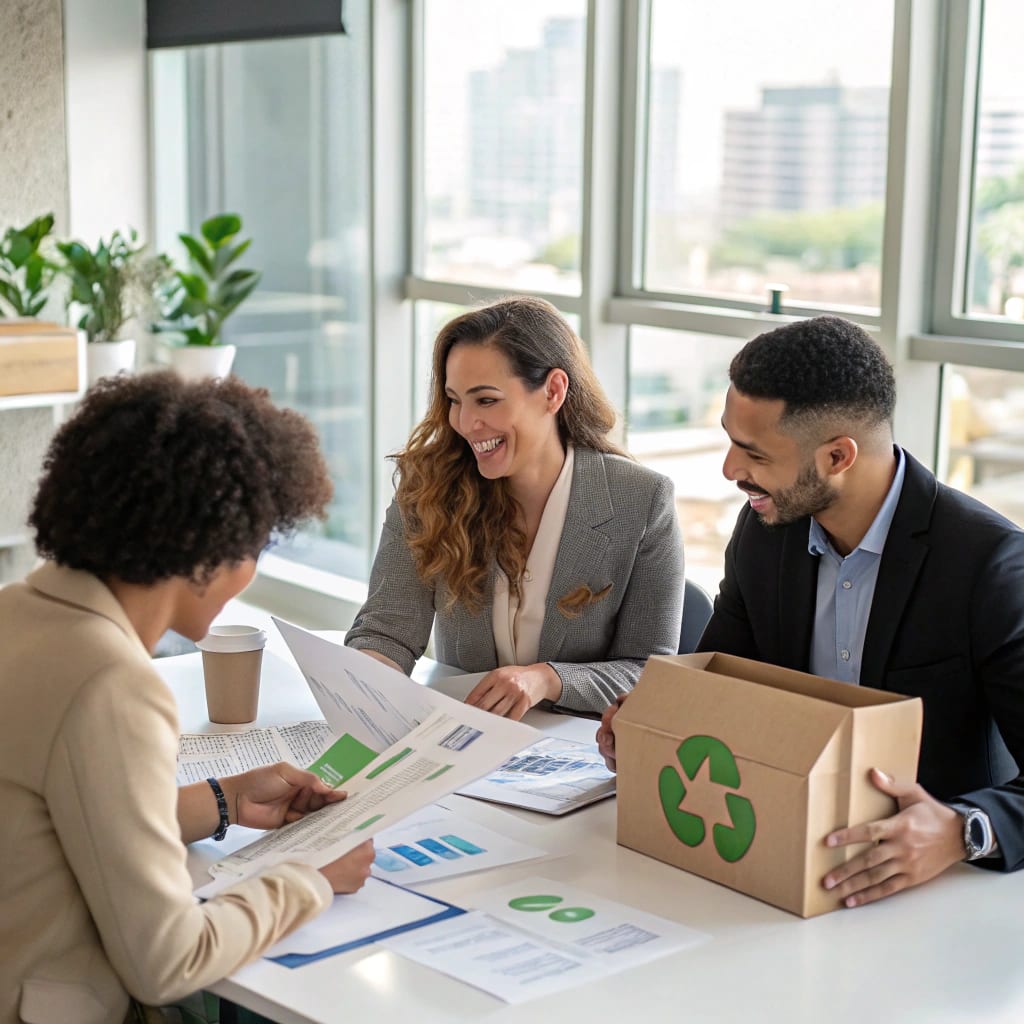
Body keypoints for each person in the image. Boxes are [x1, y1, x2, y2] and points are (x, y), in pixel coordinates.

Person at [597, 315, 1024, 908]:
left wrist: (962, 831)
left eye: (752, 453)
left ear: (837, 456)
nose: (729, 470)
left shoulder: (991, 565)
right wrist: (654, 725)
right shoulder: (764, 531)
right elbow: (718, 683)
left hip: (936, 892)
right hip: (779, 860)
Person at [0, 372, 375, 1024]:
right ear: (211, 544)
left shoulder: (17, 614)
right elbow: (168, 959)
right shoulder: (111, 684)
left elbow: (63, 819)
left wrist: (224, 801)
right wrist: (311, 878)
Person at [345, 296, 684, 720]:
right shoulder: (428, 486)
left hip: (578, 752)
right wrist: (369, 678)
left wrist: (545, 678)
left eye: (486, 400)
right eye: (454, 400)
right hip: (460, 741)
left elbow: (647, 672)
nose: (466, 423)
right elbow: (385, 630)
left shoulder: (642, 500)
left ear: (554, 391)